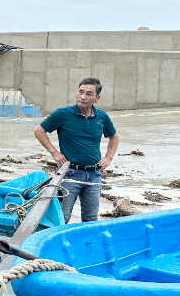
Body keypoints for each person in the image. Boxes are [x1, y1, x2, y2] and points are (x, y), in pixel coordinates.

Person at [34, 77, 119, 223]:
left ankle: (87, 245)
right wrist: (55, 153)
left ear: (97, 98)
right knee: (63, 217)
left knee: (91, 219)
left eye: (88, 94)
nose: (83, 97)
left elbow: (114, 137)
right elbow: (39, 131)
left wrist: (108, 158)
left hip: (94, 175)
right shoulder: (63, 113)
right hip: (69, 173)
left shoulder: (102, 117)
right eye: (80, 92)